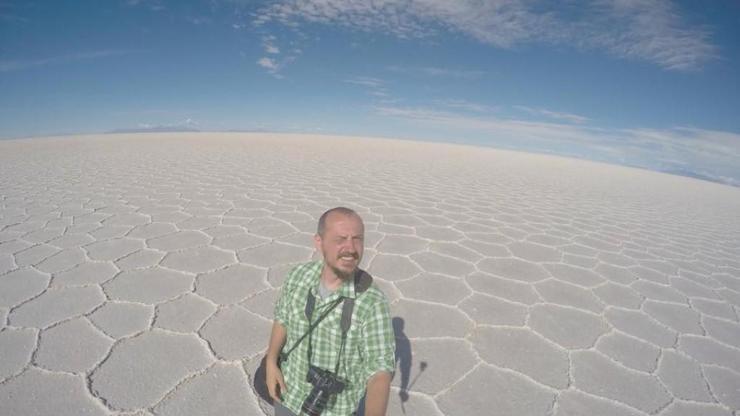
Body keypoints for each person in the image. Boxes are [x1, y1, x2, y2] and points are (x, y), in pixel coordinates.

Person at [265, 207, 396, 416]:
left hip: (335, 411)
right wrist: (271, 361)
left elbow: (379, 370)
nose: (351, 248)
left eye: (357, 239)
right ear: (319, 242)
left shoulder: (372, 302)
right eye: (340, 239)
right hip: (288, 396)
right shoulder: (298, 276)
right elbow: (282, 318)